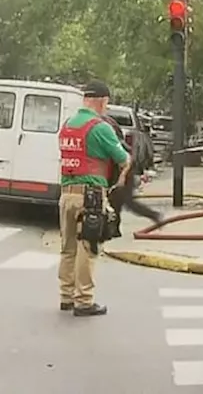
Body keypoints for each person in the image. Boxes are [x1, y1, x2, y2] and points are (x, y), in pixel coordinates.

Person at [57, 81, 129, 317]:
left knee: (67, 249)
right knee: (87, 248)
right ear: (102, 101)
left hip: (66, 194)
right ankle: (84, 300)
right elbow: (122, 159)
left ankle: (66, 297)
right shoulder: (100, 128)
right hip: (90, 197)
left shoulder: (67, 125)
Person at [101, 113, 163, 228]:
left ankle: (155, 216)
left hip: (123, 172)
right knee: (117, 201)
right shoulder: (110, 126)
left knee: (126, 202)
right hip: (123, 171)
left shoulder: (106, 129)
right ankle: (114, 229)